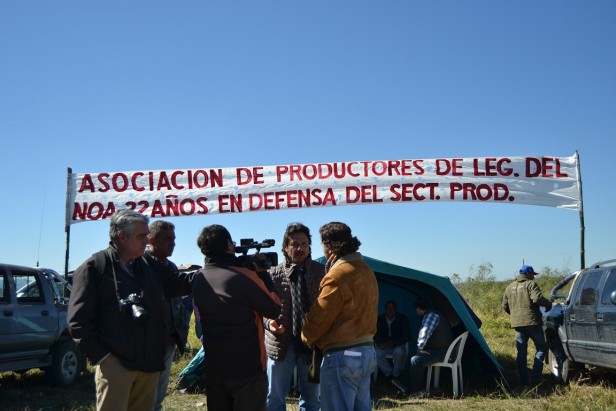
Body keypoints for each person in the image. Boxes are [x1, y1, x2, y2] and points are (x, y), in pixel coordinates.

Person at [67, 209, 194, 411]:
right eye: (142, 236)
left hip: (149, 365)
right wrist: (104, 358)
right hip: (116, 366)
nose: (147, 241)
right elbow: (78, 322)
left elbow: (176, 284)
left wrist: (217, 269)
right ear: (122, 236)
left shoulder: (148, 264)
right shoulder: (95, 267)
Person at [192, 224, 282, 411]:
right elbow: (273, 308)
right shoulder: (243, 277)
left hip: (215, 367)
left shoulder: (199, 277)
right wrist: (263, 275)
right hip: (247, 368)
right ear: (228, 245)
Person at [301, 222, 379, 411]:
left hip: (343, 355)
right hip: (367, 352)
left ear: (329, 246)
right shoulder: (366, 270)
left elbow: (320, 318)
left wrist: (306, 335)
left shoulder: (337, 275)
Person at [264, 223, 326, 411]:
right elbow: (262, 310)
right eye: (295, 244)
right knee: (274, 396)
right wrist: (269, 323)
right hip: (281, 342)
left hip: (312, 343)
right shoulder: (272, 274)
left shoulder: (322, 272)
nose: (300, 248)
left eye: (304, 244)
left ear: (309, 246)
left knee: (312, 398)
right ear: (285, 247)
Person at [144, 220, 186, 411]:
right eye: (167, 239)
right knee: (145, 396)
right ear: (152, 240)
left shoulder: (172, 267)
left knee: (159, 396)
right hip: (148, 342)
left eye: (174, 239)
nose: (173, 243)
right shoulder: (141, 265)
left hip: (169, 339)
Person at [502, 264, 552, 387]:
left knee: (521, 353)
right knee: (541, 348)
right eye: (533, 274)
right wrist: (548, 304)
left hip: (517, 325)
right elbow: (537, 299)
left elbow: (504, 306)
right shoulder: (531, 284)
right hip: (533, 323)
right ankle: (535, 377)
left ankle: (523, 381)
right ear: (528, 274)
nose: (534, 277)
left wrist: (515, 315)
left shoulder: (509, 287)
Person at [409, 297, 453, 395]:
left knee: (415, 360)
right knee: (410, 354)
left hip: (442, 351)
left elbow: (425, 332)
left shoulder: (431, 315)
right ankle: (406, 386)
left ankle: (418, 391)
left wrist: (420, 348)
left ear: (418, 308)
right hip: (440, 349)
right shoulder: (432, 314)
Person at [374, 300, 412, 392]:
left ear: (396, 309)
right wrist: (380, 343)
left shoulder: (402, 319)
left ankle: (396, 375)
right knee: (376, 353)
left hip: (397, 345)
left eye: (392, 308)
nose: (390, 310)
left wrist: (394, 343)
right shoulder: (380, 319)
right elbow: (375, 334)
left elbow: (407, 336)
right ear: (385, 309)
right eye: (388, 308)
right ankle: (389, 375)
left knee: (399, 352)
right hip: (385, 345)